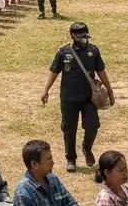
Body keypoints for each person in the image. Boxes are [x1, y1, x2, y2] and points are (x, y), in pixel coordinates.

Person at [42, 22, 114, 171]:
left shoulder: (93, 51)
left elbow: (101, 71)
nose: (83, 37)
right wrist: (46, 90)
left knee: (92, 125)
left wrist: (110, 90)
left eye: (84, 33)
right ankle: (71, 159)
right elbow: (54, 71)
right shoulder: (63, 52)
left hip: (88, 98)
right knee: (69, 129)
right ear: (73, 35)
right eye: (79, 34)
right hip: (69, 98)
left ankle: (87, 148)